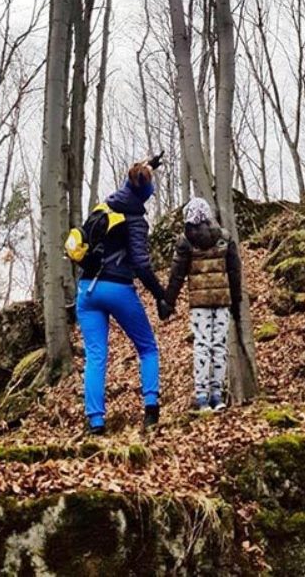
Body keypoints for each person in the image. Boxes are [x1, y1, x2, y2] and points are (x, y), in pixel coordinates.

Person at [75, 160, 173, 435]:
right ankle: (151, 411)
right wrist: (160, 296)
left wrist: (147, 164)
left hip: (86, 290)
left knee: (96, 357)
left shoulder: (105, 207)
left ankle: (96, 423)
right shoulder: (135, 221)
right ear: (144, 193)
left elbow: (132, 184)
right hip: (117, 288)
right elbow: (141, 265)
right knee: (147, 348)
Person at [164, 197, 242, 412]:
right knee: (219, 346)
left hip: (199, 305)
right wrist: (236, 302)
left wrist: (167, 302)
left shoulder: (186, 241)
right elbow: (235, 273)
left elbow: (177, 275)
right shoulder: (224, 238)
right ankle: (217, 396)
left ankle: (201, 396)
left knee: (202, 346)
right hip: (223, 302)